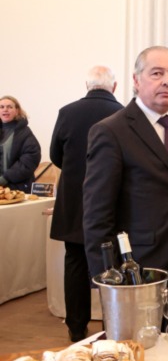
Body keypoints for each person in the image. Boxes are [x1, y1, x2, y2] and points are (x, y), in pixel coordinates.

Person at [83, 46, 168, 278]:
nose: (167, 81)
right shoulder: (111, 131)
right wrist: (106, 274)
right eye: (157, 73)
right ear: (136, 80)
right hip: (143, 260)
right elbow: (97, 214)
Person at [50, 66, 123, 341]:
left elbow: (55, 155)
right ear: (114, 87)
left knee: (75, 262)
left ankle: (76, 326)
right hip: (111, 201)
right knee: (113, 264)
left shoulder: (67, 112)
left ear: (86, 85)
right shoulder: (123, 113)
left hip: (74, 200)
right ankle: (112, 325)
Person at [0, 96, 41, 192]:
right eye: (1, 107)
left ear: (17, 111)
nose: (5, 109)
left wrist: (5, 178)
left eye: (9, 107)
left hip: (17, 188)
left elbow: (31, 158)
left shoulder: (24, 132)